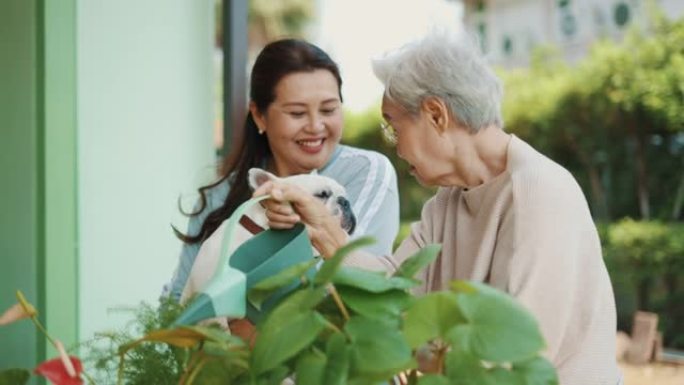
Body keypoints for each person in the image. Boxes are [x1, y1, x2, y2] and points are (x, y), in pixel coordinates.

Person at [253, 30, 622, 385]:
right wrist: (319, 225)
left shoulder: (540, 191)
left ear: (435, 114)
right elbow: (392, 286)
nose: (395, 147)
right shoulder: (448, 198)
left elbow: (515, 356)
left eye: (394, 127)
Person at [163, 39, 399, 301]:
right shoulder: (222, 197)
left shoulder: (365, 172)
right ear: (259, 116)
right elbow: (179, 299)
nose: (316, 125)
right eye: (297, 113)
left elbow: (356, 279)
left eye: (329, 109)